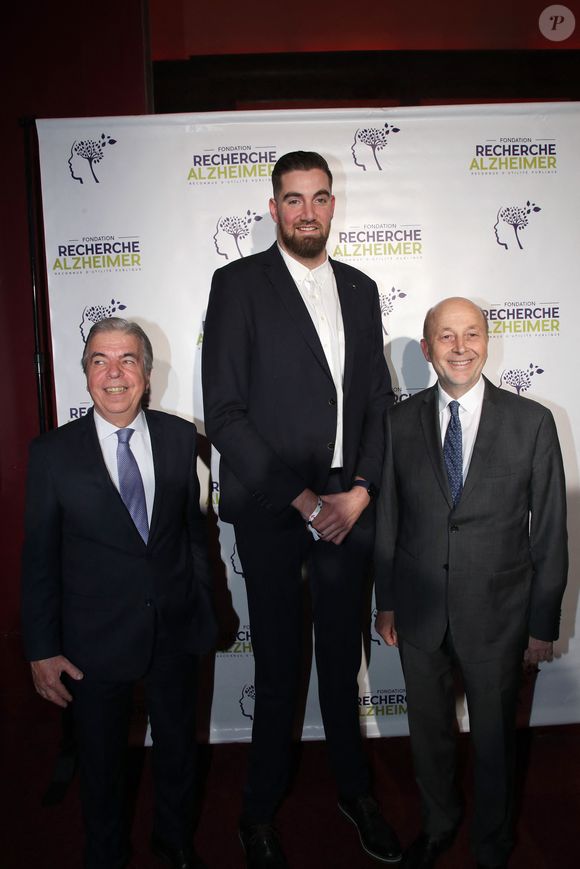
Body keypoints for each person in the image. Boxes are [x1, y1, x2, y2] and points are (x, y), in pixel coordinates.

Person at [202, 150, 400, 868]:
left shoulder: (360, 285)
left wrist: (363, 489)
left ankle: (356, 792)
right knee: (280, 666)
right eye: (293, 199)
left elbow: (378, 399)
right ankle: (257, 811)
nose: (308, 211)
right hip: (276, 510)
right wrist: (305, 499)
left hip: (349, 506)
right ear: (273, 206)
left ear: (333, 205)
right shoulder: (237, 284)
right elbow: (224, 413)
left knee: (342, 661)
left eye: (320, 197)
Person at [374, 297, 568, 869]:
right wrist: (387, 604)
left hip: (500, 615)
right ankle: (437, 824)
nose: (461, 347)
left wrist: (542, 621)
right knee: (429, 736)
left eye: (472, 334)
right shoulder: (398, 422)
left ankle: (492, 842)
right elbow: (390, 521)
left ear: (488, 341)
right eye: (446, 336)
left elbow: (551, 532)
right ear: (429, 347)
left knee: (494, 741)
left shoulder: (532, 421)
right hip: (419, 612)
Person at [21, 317, 216, 869]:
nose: (114, 373)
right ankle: (105, 853)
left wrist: (201, 603)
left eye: (128, 360)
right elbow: (38, 558)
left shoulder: (182, 439)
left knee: (179, 753)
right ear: (85, 375)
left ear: (147, 375)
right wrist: (41, 648)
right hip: (92, 645)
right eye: (100, 361)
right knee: (102, 764)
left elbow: (193, 535)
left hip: (175, 631)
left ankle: (173, 841)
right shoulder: (51, 455)